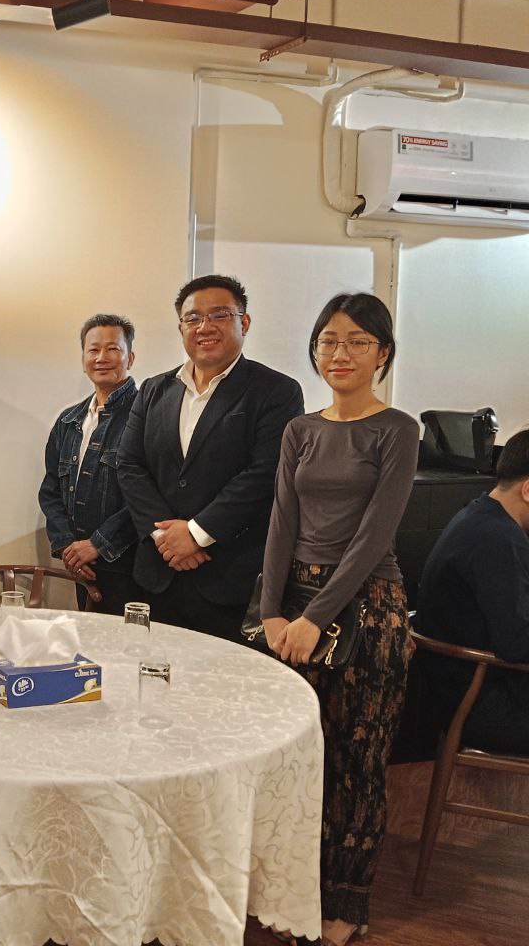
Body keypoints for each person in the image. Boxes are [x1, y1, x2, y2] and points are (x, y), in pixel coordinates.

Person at [259, 292, 418, 946]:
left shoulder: (398, 429)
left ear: (382, 353)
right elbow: (281, 522)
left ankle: (346, 905)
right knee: (296, 756)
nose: (340, 353)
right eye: (329, 340)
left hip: (368, 608)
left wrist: (314, 616)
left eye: (357, 341)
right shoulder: (300, 429)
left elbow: (375, 537)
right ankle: (291, 889)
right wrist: (272, 612)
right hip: (293, 604)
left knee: (357, 759)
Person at [117, 274, 304, 640]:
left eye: (219, 315)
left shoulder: (276, 390)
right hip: (157, 574)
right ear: (181, 327)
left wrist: (196, 533)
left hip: (230, 579)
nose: (204, 327)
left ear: (244, 322)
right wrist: (165, 536)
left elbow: (265, 473)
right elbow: (129, 465)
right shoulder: (154, 389)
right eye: (193, 318)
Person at [417, 427, 529, 754]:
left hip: (466, 690)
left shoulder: (480, 515)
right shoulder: (499, 540)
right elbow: (517, 644)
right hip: (482, 703)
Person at [39, 313, 140, 614]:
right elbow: (50, 490)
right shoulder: (69, 421)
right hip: (81, 566)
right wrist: (68, 548)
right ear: (83, 359)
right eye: (93, 350)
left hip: (129, 565)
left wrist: (97, 544)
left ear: (130, 358)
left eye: (113, 349)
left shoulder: (146, 415)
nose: (101, 358)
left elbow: (149, 495)